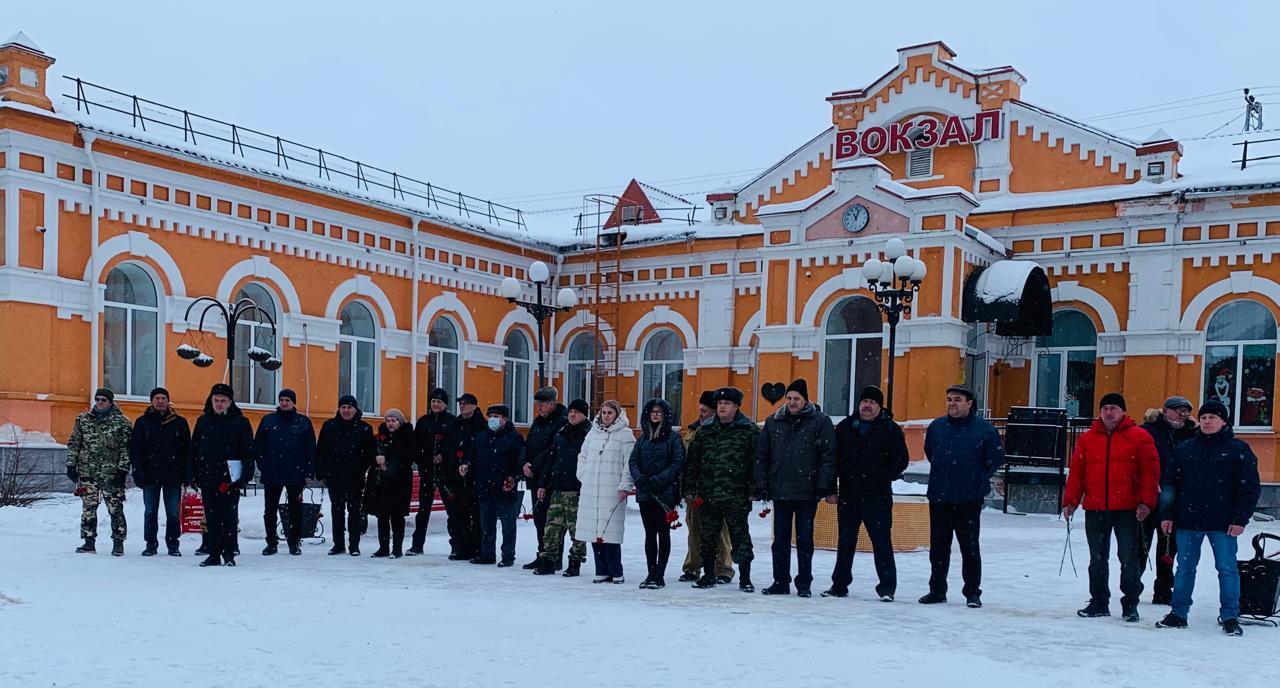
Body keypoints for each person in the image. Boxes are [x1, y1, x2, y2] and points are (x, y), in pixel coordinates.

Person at [1156, 400, 1261, 636]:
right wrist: (1167, 514)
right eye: (1203, 417)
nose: (1207, 421)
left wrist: (1240, 518)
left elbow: (1250, 488)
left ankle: (1230, 616)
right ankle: (1178, 613)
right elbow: (1170, 483)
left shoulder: (1238, 450)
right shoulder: (1186, 449)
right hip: (1187, 521)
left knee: (1227, 569)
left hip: (1223, 523)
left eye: (1212, 417)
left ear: (1223, 421)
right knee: (1184, 569)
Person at [1062, 392, 1159, 623]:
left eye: (1114, 408)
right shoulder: (1088, 439)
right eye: (1105, 408)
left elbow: (1150, 473)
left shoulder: (1139, 437)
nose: (1109, 412)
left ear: (1123, 412)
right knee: (1097, 558)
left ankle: (1130, 603)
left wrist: (1146, 502)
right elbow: (1077, 473)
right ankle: (1098, 602)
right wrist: (1070, 501)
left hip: (1127, 508)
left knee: (1129, 557)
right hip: (1095, 507)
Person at [919, 385, 1003, 608]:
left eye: (957, 399)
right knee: (938, 547)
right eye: (949, 399)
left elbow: (994, 459)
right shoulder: (937, 427)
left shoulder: (984, 430)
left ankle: (972, 592)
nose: (952, 404)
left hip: (968, 499)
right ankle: (937, 590)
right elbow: (931, 453)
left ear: (969, 403)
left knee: (969, 547)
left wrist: (976, 479)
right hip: (940, 497)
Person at [754, 379, 836, 598]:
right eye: (789, 398)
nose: (792, 402)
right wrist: (762, 483)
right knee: (780, 540)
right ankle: (780, 581)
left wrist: (823, 486)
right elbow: (762, 455)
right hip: (780, 490)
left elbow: (828, 456)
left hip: (807, 492)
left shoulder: (820, 422)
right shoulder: (773, 422)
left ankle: (804, 583)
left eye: (796, 399)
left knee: (805, 540)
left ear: (805, 400)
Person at [826, 385, 909, 600]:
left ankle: (887, 588)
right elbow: (833, 460)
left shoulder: (890, 429)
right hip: (849, 495)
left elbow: (901, 459)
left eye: (873, 402)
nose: (868, 406)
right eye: (865, 401)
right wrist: (831, 489)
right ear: (859, 404)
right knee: (845, 542)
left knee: (881, 542)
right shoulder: (845, 427)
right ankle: (839, 585)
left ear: (880, 407)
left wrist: (883, 475)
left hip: (877, 496)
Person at [685, 387, 759, 593]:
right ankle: (708, 574)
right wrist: (689, 488)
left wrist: (755, 489)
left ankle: (745, 577)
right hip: (709, 494)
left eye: (727, 403)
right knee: (708, 537)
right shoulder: (705, 431)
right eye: (719, 404)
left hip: (737, 495)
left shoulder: (749, 431)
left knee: (740, 538)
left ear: (736, 406)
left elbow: (757, 463)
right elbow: (692, 462)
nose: (722, 407)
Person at [188, 383, 255, 567]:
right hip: (208, 477)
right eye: (216, 400)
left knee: (229, 517)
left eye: (223, 401)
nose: (219, 404)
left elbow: (248, 451)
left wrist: (245, 476)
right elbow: (194, 449)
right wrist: (192, 474)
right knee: (212, 518)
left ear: (230, 402)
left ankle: (229, 553)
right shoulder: (204, 421)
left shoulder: (240, 422)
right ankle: (214, 553)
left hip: (230, 479)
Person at [1139, 396, 1197, 604]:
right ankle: (1133, 586)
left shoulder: (1192, 434)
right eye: (1177, 410)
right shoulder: (1147, 431)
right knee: (1140, 547)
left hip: (1175, 502)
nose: (1182, 414)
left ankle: (1163, 589)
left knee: (1168, 548)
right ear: (1165, 411)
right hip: (1147, 498)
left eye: (1185, 411)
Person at [66, 387, 133, 556]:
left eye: (104, 400)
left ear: (110, 402)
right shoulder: (83, 420)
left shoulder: (122, 422)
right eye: (98, 399)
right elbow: (75, 443)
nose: (100, 402)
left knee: (115, 508)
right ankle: (89, 542)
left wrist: (123, 470)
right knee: (88, 507)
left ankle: (118, 542)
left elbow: (126, 448)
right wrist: (71, 465)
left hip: (111, 472)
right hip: (87, 470)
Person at [576, 400, 636, 584]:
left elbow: (629, 462)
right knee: (594, 531)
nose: (606, 416)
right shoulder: (592, 433)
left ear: (617, 414)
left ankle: (616, 570)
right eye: (604, 412)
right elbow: (582, 456)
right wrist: (584, 475)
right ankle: (601, 569)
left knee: (610, 531)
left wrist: (624, 485)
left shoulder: (626, 435)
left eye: (610, 412)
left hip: (612, 489)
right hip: (591, 488)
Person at [678, 391, 735, 584]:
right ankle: (693, 566)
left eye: (705, 410)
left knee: (721, 532)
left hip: (719, 489)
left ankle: (723, 568)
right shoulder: (693, 430)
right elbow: (687, 461)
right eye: (700, 410)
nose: (700, 413)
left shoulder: (724, 431)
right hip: (696, 489)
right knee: (694, 530)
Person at [128, 387, 191, 557]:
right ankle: (150, 544)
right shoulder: (142, 422)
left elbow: (187, 450)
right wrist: (138, 470)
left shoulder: (179, 422)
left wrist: (186, 473)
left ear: (168, 401)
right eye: (157, 398)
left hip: (173, 475)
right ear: (151, 401)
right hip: (150, 475)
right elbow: (136, 449)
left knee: (172, 512)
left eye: (163, 398)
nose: (160, 401)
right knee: (150, 511)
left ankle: (173, 545)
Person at [630, 398, 684, 589]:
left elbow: (677, 464)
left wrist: (658, 480)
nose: (655, 415)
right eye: (652, 411)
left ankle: (660, 574)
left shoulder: (673, 438)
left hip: (664, 493)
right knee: (649, 534)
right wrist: (640, 479)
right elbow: (633, 461)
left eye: (659, 412)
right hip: (646, 493)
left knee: (663, 533)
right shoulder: (643, 438)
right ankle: (650, 572)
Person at [254, 388, 316, 556]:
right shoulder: (268, 421)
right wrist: (263, 465)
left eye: (287, 400)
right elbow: (258, 445)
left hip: (295, 473)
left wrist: (309, 471)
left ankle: (294, 542)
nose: (284, 403)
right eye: (281, 399)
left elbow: (311, 448)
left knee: (295, 510)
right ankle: (271, 542)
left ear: (293, 402)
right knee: (270, 510)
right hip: (272, 472)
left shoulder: (303, 422)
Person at [534, 398, 591, 577]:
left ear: (584, 415)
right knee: (552, 527)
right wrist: (543, 484)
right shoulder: (561, 433)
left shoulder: (589, 435)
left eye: (577, 412)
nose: (573, 415)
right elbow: (552, 460)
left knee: (577, 530)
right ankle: (549, 560)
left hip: (577, 489)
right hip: (557, 488)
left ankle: (575, 562)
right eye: (571, 412)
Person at [316, 394, 377, 556]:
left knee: (355, 511)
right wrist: (321, 473)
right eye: (343, 407)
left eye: (349, 407)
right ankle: (338, 544)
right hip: (334, 476)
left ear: (355, 409)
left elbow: (370, 453)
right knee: (337, 511)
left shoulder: (365, 428)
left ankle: (354, 545)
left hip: (355, 477)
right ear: (339, 409)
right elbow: (321, 450)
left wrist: (361, 468)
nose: (346, 410)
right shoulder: (329, 426)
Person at [464, 404, 524, 566]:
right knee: (486, 526)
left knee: (508, 526)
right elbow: (472, 456)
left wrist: (513, 477)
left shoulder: (514, 438)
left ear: (504, 419)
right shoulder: (481, 437)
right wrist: (466, 464)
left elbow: (520, 462)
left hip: (505, 488)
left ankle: (508, 555)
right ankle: (487, 554)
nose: (493, 419)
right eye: (490, 416)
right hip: (484, 488)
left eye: (496, 416)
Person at [521, 387, 568, 569]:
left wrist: (534, 465)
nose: (539, 408)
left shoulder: (561, 422)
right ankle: (542, 553)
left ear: (552, 404)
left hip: (549, 478)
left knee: (553, 520)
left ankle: (554, 557)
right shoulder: (538, 422)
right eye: (538, 405)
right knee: (540, 519)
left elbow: (553, 450)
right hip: (534, 477)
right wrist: (524, 463)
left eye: (542, 404)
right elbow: (528, 444)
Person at [409, 388, 454, 556]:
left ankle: (456, 545)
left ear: (445, 405)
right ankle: (417, 545)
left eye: (439, 402)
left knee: (452, 510)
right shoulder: (423, 422)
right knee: (423, 510)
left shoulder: (451, 422)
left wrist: (444, 456)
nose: (435, 404)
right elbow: (415, 444)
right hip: (427, 471)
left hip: (446, 473)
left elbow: (455, 445)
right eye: (433, 401)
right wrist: (422, 459)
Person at [365, 409, 415, 557]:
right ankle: (383, 547)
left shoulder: (407, 436)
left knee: (397, 516)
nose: (390, 423)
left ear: (400, 422)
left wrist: (389, 462)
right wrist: (377, 458)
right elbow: (371, 451)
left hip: (399, 482)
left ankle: (397, 548)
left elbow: (407, 457)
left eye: (394, 421)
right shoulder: (381, 436)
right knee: (382, 515)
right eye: (388, 421)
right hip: (381, 482)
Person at [443, 392, 485, 561]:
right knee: (457, 515)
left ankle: (476, 547)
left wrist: (469, 463)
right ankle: (459, 547)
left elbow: (478, 450)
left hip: (474, 476)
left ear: (474, 406)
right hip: (455, 476)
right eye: (460, 403)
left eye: (466, 403)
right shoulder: (455, 424)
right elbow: (448, 447)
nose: (462, 406)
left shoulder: (481, 425)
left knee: (475, 514)